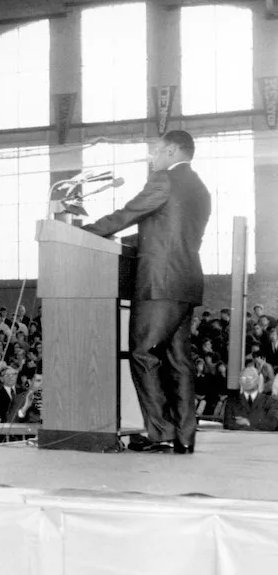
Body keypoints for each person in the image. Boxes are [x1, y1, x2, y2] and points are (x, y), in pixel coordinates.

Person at [82, 130, 211, 454]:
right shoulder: (201, 189)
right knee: (178, 361)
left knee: (142, 352)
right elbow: (170, 232)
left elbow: (127, 214)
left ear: (170, 150)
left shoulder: (163, 180)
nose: (152, 157)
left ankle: (161, 431)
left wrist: (79, 232)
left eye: (155, 151)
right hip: (185, 282)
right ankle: (183, 435)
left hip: (159, 283)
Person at [223, 367, 278, 431]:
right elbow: (228, 424)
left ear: (258, 380)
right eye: (243, 378)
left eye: (251, 377)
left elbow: (272, 424)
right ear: (240, 381)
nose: (247, 380)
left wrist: (248, 422)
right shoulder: (231, 403)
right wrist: (258, 424)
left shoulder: (271, 402)